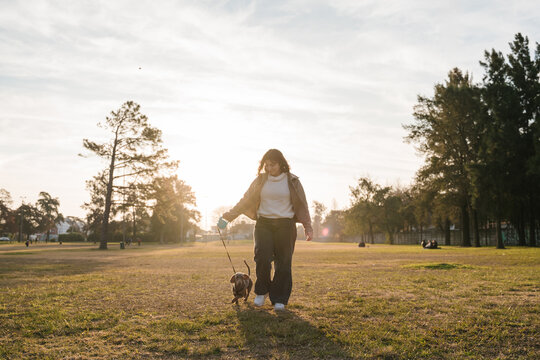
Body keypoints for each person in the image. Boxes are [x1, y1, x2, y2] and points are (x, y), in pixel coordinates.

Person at [217, 149, 313, 311]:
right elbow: (245, 200)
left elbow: (302, 205)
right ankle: (262, 291)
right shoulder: (260, 181)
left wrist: (308, 226)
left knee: (283, 262)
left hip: (286, 225)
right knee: (262, 257)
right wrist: (228, 216)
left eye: (272, 165)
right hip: (264, 224)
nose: (269, 168)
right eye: (266, 165)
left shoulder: (293, 181)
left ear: (281, 164)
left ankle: (279, 298)